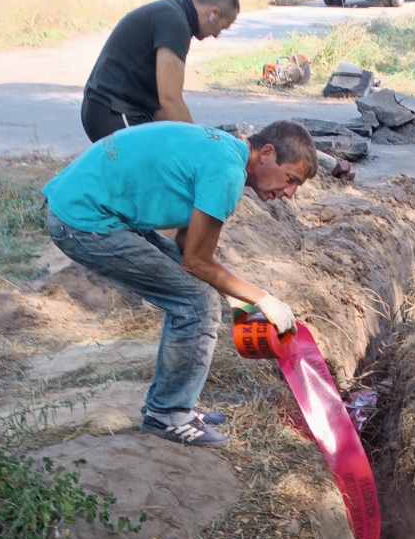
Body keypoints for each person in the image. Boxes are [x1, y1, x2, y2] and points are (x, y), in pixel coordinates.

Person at [43, 119, 317, 447]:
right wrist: (262, 298)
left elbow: (188, 249)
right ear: (267, 153)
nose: (289, 193)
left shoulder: (226, 153)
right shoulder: (227, 173)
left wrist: (237, 298)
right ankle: (168, 414)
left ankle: (174, 404)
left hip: (90, 206)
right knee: (197, 303)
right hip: (83, 220)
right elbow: (196, 261)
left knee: (197, 291)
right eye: (291, 179)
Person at [80, 0, 240, 142]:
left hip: (109, 108)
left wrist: (197, 135)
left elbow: (162, 109)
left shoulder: (172, 13)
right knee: (156, 157)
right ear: (213, 14)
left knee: (168, 149)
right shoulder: (175, 23)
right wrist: (200, 143)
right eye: (222, 27)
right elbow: (170, 100)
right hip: (114, 111)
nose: (216, 35)